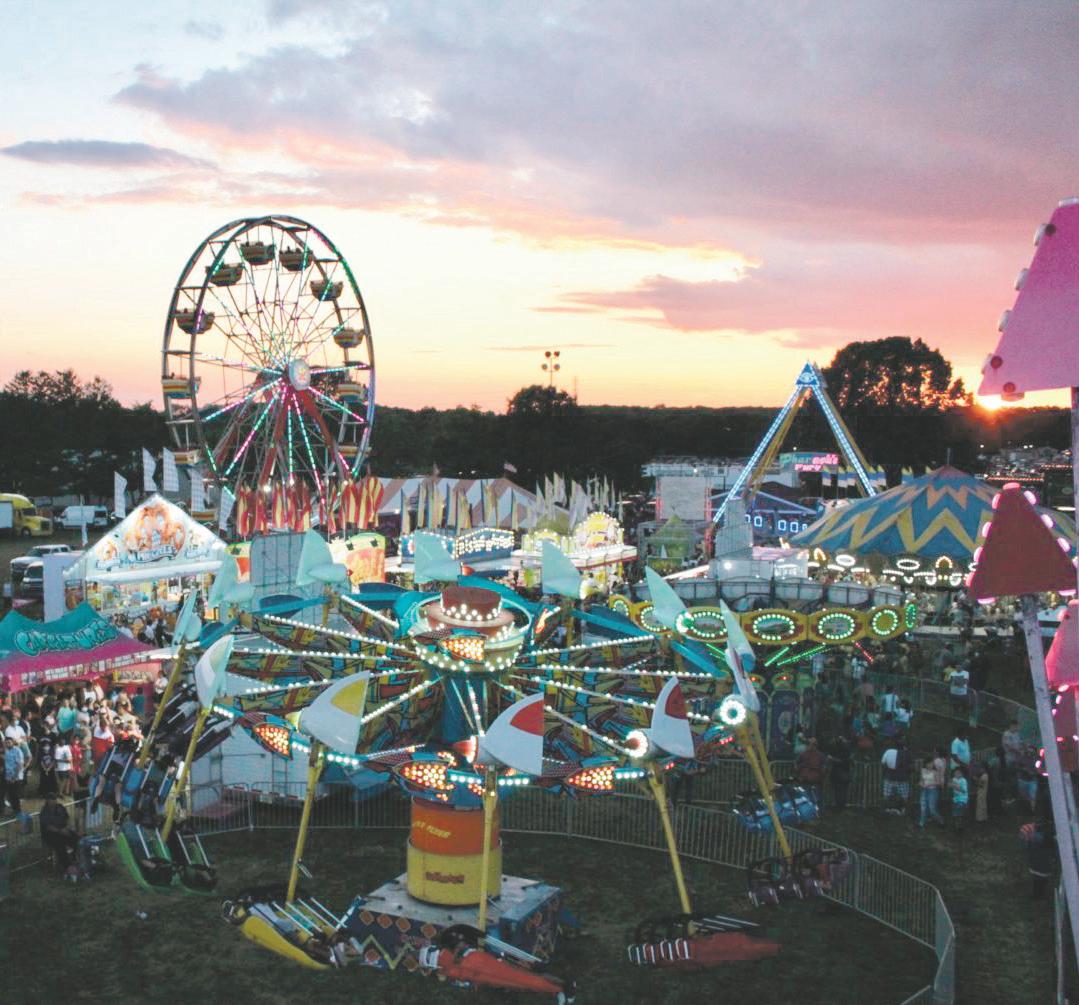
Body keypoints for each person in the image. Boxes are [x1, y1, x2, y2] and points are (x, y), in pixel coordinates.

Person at [40, 793, 80, 873]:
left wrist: (67, 828)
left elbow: (67, 819)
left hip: (63, 829)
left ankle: (77, 858)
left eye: (55, 799)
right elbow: (48, 826)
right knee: (60, 844)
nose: (54, 801)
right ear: (47, 801)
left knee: (76, 838)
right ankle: (67, 866)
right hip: (50, 834)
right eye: (52, 799)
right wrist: (60, 831)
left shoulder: (60, 807)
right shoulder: (44, 811)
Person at [881, 739, 911, 815]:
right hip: (902, 778)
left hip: (889, 777)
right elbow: (910, 767)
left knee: (887, 794)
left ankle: (887, 809)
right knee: (904, 795)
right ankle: (903, 810)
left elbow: (883, 762)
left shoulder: (888, 751)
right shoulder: (906, 754)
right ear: (904, 747)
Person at [796, 737, 827, 809]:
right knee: (810, 798)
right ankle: (815, 811)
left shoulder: (820, 755)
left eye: (810, 744)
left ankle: (817, 811)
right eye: (809, 744)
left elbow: (824, 768)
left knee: (815, 798)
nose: (809, 746)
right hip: (808, 780)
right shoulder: (804, 754)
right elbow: (796, 764)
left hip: (813, 780)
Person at [918, 749, 945, 828]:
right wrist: (921, 784)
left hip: (933, 791)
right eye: (928, 763)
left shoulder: (935, 772)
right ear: (925, 764)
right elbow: (921, 781)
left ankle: (941, 820)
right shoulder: (923, 771)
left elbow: (939, 783)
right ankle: (921, 823)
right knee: (923, 807)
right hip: (924, 790)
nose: (930, 765)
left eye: (931, 763)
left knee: (932, 808)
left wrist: (930, 784)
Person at [828, 736, 852, 811]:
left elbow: (842, 761)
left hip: (841, 772)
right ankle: (840, 804)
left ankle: (839, 805)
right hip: (841, 772)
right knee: (841, 789)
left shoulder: (844, 750)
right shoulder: (845, 749)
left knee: (840, 789)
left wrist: (832, 759)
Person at [4, 735, 25, 814]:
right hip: (8, 777)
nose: (7, 744)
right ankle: (14, 810)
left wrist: (14, 777)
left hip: (16, 777)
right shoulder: (7, 751)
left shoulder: (17, 751)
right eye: (6, 743)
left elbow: (20, 765)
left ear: (12, 742)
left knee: (15, 795)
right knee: (11, 795)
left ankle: (18, 811)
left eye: (9, 742)